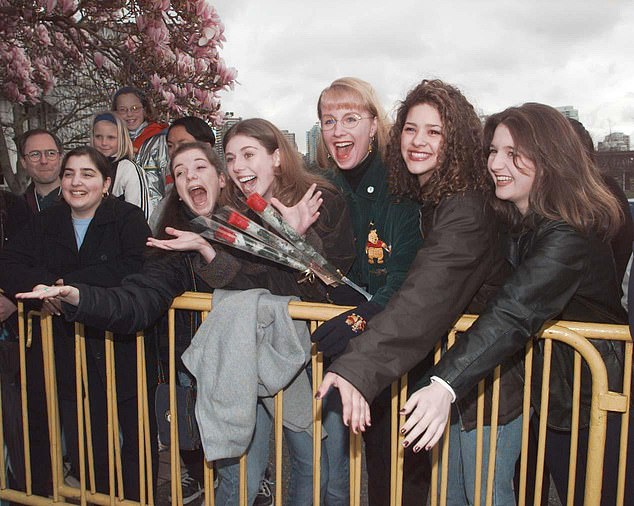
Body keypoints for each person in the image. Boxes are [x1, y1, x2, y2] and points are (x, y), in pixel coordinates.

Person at [19, 133, 355, 505]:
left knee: (313, 465)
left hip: (286, 364)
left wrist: (289, 240)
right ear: (176, 189)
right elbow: (139, 299)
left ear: (220, 178)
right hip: (229, 377)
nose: (190, 177)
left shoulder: (256, 228)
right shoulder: (174, 242)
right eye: (179, 173)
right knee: (238, 480)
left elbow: (291, 291)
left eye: (199, 167)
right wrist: (80, 298)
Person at [322, 102, 627, 505]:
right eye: (494, 151)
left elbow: (513, 311)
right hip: (554, 392)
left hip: (593, 398)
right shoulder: (515, 217)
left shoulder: (569, 234)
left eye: (513, 155)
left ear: (550, 159)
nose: (497, 163)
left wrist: (443, 384)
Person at [315, 79, 513, 505]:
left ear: (455, 140)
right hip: (457, 376)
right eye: (411, 128)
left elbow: (422, 296)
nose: (418, 141)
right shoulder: (431, 195)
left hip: (487, 382)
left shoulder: (465, 208)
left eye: (434, 131)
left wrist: (358, 367)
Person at [1, 146, 154, 499]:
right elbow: (9, 263)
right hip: (65, 352)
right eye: (69, 173)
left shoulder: (127, 218)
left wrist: (67, 287)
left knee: (135, 445)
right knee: (87, 445)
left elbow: (136, 265)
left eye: (87, 174)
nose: (76, 182)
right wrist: (46, 287)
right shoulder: (46, 221)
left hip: (120, 347)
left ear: (106, 183)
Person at [312, 77, 424, 506]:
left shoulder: (400, 187)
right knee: (337, 455)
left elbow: (404, 277)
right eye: (328, 121)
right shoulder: (323, 187)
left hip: (393, 343)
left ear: (374, 125)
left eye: (350, 119)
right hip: (348, 348)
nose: (338, 131)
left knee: (392, 464)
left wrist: (361, 318)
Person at [149, 116, 218, 233]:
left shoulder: (234, 199)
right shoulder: (168, 201)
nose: (175, 151)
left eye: (183, 144)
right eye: (170, 146)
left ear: (207, 147)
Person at [112, 86, 169, 211]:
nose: (129, 114)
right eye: (123, 110)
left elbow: (170, 184)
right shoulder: (111, 145)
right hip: (123, 219)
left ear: (145, 110)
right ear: (115, 114)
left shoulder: (160, 140)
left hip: (156, 218)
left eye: (135, 108)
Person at [92, 111, 153, 218]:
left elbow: (141, 214)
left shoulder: (128, 169)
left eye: (111, 137)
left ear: (122, 138)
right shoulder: (85, 167)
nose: (104, 143)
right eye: (98, 137)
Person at [17, 128, 62, 213]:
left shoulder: (81, 201)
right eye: (35, 154)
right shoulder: (16, 209)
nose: (44, 161)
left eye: (51, 153)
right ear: (23, 162)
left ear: (60, 158)